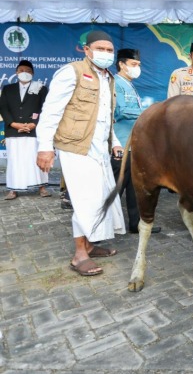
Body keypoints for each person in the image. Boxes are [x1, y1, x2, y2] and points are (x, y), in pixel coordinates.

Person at [36, 30, 126, 277]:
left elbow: (105, 118)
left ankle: (90, 244)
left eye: (110, 50)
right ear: (86, 50)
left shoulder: (109, 78)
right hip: (76, 147)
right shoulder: (72, 72)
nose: (106, 54)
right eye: (100, 48)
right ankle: (79, 255)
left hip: (99, 149)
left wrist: (115, 142)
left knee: (100, 199)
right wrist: (44, 146)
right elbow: (52, 111)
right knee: (85, 199)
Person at [111, 48, 161, 234]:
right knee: (117, 186)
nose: (137, 68)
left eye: (139, 65)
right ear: (122, 64)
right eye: (133, 64)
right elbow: (120, 111)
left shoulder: (129, 84)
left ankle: (136, 223)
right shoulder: (117, 83)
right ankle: (104, 225)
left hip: (133, 144)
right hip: (121, 145)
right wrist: (149, 111)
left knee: (134, 186)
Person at [0, 60, 51, 200]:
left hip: (34, 130)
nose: (25, 73)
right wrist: (13, 124)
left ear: (33, 74)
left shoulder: (41, 88)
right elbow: (3, 108)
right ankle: (13, 189)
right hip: (13, 130)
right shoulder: (8, 88)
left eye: (28, 71)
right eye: (21, 70)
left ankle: (42, 187)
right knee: (14, 160)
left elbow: (44, 108)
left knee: (36, 159)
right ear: (16, 72)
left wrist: (34, 123)